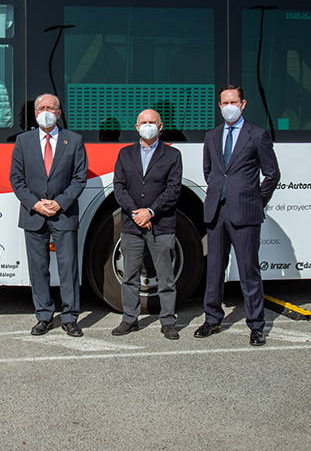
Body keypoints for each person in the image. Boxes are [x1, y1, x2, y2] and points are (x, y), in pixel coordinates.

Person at [194, 85, 280, 346]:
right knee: (214, 270)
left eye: (233, 102)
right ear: (219, 106)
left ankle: (256, 325)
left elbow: (272, 174)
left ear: (242, 104)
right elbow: (209, 171)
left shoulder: (257, 135)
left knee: (248, 270)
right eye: (224, 103)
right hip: (217, 212)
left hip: (246, 213)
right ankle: (212, 318)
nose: (228, 106)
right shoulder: (212, 136)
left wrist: (256, 200)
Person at [9, 93, 88, 337]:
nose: (46, 111)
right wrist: (35, 204)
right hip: (34, 214)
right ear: (35, 114)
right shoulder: (23, 141)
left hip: (63, 214)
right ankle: (43, 315)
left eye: (51, 108)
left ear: (59, 113)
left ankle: (70, 317)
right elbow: (17, 179)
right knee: (38, 267)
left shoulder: (73, 141)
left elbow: (79, 178)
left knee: (68, 267)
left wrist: (59, 203)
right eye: (41, 107)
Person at [111, 109, 183, 340]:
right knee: (130, 275)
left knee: (165, 276)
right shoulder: (125, 154)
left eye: (152, 122)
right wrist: (136, 213)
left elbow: (173, 190)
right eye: (144, 122)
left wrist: (150, 212)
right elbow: (119, 187)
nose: (148, 125)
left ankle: (168, 321)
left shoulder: (173, 155)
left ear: (161, 127)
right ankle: (129, 319)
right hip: (132, 226)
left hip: (161, 225)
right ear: (136, 126)